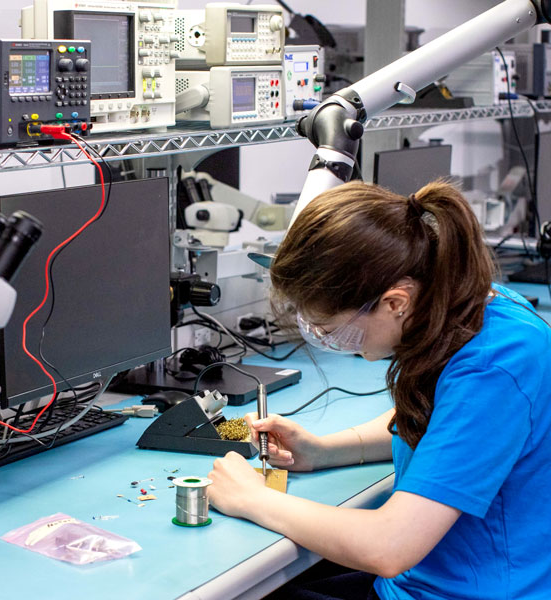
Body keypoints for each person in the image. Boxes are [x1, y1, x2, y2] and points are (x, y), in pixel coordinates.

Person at [207, 180, 551, 600]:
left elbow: (390, 546)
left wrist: (251, 498)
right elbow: (447, 421)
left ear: (395, 302)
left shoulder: (494, 366)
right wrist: (325, 449)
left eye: (336, 332)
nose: (336, 344)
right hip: (430, 579)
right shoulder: (469, 304)